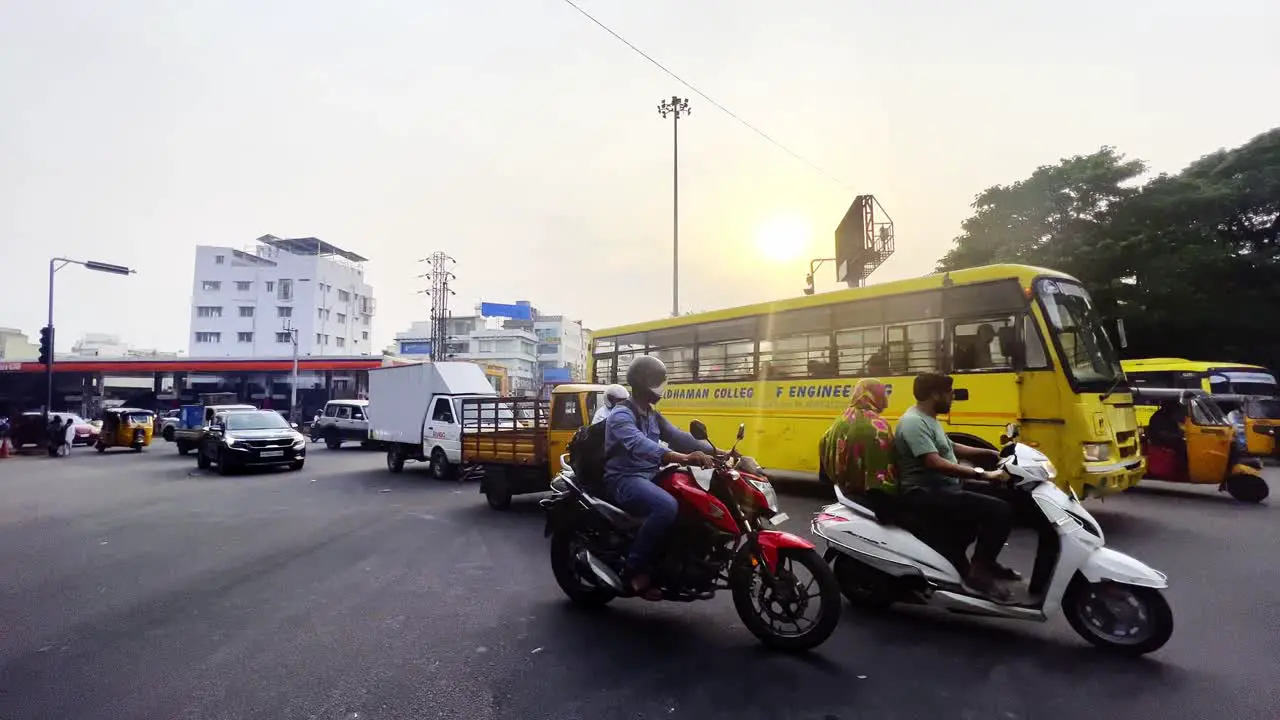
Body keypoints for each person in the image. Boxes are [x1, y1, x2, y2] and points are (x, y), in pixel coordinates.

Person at [894, 372, 1017, 601]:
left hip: (943, 489)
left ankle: (985, 562)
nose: (952, 397)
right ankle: (979, 573)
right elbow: (934, 461)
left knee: (1006, 499)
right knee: (999, 510)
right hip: (923, 494)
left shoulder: (928, 417)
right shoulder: (913, 422)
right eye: (949, 393)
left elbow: (950, 446)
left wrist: (991, 454)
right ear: (935, 394)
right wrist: (982, 474)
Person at [604, 356, 715, 600]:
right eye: (656, 382)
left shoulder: (652, 414)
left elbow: (680, 437)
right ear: (644, 384)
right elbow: (639, 445)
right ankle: (633, 568)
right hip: (624, 479)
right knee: (666, 506)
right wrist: (682, 458)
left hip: (651, 474)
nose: (661, 389)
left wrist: (721, 452)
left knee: (693, 498)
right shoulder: (620, 415)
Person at [819, 379, 897, 500]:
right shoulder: (878, 426)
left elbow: (823, 444)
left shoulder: (840, 421)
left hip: (842, 493)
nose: (886, 404)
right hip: (870, 497)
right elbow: (884, 470)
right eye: (882, 398)